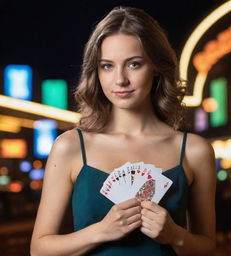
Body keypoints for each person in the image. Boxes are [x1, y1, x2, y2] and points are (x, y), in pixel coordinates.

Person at [30, 6, 216, 256]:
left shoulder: (195, 150)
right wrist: (101, 231)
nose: (120, 80)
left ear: (157, 67)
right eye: (107, 66)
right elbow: (39, 249)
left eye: (134, 64)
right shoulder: (70, 146)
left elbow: (207, 247)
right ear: (95, 72)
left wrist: (175, 235)